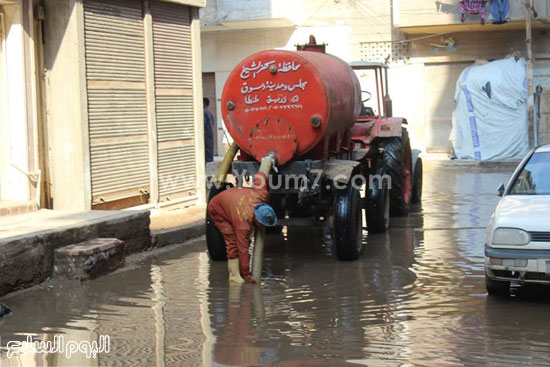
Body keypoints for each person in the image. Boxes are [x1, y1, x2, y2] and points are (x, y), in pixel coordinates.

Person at [208, 172, 277, 284]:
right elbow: (243, 248)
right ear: (257, 219)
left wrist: (267, 163)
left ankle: (240, 269)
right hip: (217, 207)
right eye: (263, 224)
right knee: (233, 241)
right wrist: (247, 274)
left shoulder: (261, 194)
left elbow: (260, 176)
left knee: (242, 240)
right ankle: (234, 275)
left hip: (232, 200)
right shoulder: (244, 223)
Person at [203, 97, 214, 163]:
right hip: (210, 135)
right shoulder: (209, 112)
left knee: (207, 152)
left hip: (206, 136)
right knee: (209, 152)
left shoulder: (204, 112)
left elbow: (203, 124)